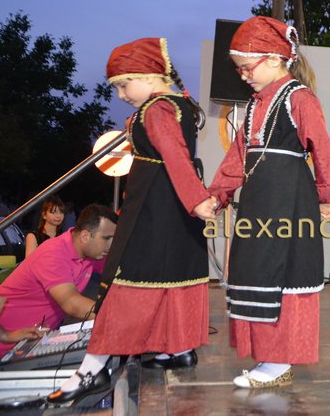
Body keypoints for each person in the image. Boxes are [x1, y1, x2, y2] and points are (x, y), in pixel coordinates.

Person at [49, 38, 212, 405]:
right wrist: (193, 200)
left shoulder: (156, 109)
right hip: (172, 209)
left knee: (128, 282)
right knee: (171, 277)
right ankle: (177, 349)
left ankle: (91, 369)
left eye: (124, 84)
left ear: (150, 76)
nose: (121, 95)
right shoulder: (178, 106)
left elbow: (174, 156)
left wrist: (197, 198)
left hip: (154, 210)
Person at [207, 16, 330, 389]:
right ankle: (268, 356)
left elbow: (322, 149)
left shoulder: (299, 98)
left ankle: (280, 361)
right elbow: (238, 157)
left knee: (283, 274)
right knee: (256, 271)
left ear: (273, 59)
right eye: (238, 69)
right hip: (258, 203)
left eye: (246, 67)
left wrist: (328, 196)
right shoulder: (254, 106)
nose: (242, 75)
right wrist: (218, 194)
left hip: (290, 202)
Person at [0, 204, 117, 360]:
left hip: (26, 343)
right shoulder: (53, 253)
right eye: (106, 238)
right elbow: (71, 303)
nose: (110, 245)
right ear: (85, 236)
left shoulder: (91, 253)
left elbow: (120, 271)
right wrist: (116, 316)